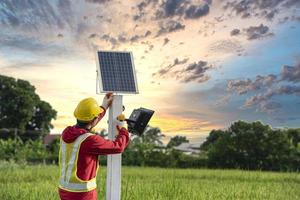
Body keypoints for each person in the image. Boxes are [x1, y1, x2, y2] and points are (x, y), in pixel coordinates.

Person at [58, 93, 130, 200]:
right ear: (94, 119)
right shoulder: (90, 140)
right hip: (82, 194)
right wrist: (124, 130)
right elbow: (118, 147)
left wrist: (104, 106)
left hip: (64, 190)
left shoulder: (67, 132)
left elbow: (89, 122)